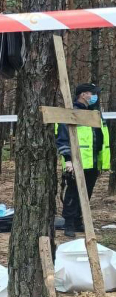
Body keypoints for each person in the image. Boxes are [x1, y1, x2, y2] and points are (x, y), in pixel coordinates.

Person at [56, 83, 110, 238]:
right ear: (83, 94)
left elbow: (100, 138)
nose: (95, 97)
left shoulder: (94, 113)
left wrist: (101, 161)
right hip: (76, 162)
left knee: (87, 193)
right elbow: (62, 138)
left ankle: (79, 221)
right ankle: (69, 223)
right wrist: (68, 160)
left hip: (93, 161)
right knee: (73, 192)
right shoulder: (71, 113)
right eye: (92, 93)